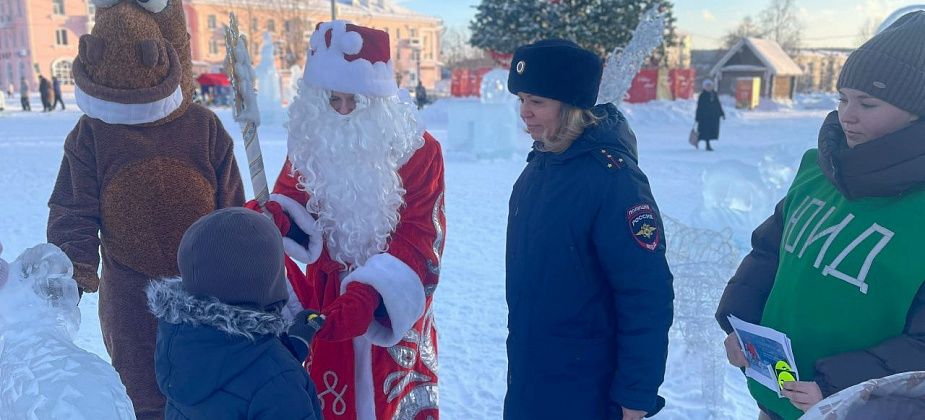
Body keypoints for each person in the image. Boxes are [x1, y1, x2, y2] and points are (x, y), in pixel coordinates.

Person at [715, 12, 925, 420]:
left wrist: (841, 387)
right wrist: (740, 326)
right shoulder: (818, 170)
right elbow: (769, 255)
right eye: (843, 98)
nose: (848, 115)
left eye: (868, 103)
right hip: (779, 399)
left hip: (854, 411)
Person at [46, 1, 244, 418]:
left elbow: (232, 211)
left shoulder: (203, 128)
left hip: (203, 289)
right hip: (129, 293)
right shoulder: (91, 135)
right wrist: (73, 270)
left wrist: (243, 275)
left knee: (210, 388)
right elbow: (73, 208)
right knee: (142, 393)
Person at [247, 20, 445, 419]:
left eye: (354, 101)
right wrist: (277, 218)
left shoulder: (419, 151)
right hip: (328, 299)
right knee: (329, 398)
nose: (341, 112)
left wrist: (370, 295)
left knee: (389, 400)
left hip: (392, 309)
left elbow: (423, 235)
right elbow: (289, 194)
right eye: (331, 100)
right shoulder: (313, 139)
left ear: (379, 99)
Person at [503, 39, 674, 420]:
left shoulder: (613, 180)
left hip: (588, 388)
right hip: (532, 374)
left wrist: (635, 395)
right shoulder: (539, 168)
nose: (525, 114)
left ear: (572, 107)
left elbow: (645, 294)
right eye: (522, 100)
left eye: (537, 102)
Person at [147, 208, 323, 420]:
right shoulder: (280, 384)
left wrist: (288, 350)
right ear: (268, 281)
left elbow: (234, 376)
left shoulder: (182, 343)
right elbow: (260, 383)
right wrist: (280, 365)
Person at [695, 79, 724, 151]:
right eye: (707, 86)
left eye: (710, 86)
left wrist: (721, 113)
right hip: (705, 117)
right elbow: (699, 107)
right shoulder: (702, 95)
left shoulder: (714, 94)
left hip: (714, 116)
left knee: (711, 131)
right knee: (705, 131)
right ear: (704, 87)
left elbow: (718, 104)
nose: (709, 87)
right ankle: (707, 145)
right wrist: (697, 117)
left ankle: (699, 140)